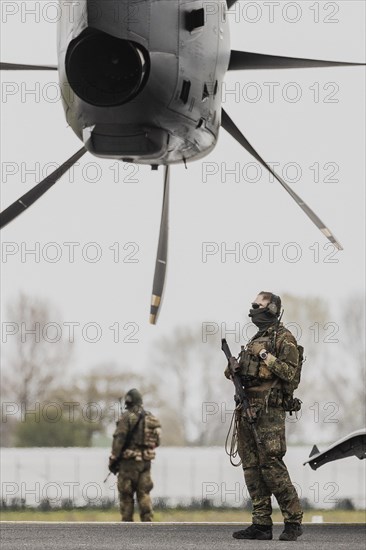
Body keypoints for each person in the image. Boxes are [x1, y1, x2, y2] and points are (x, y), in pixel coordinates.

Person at [224, 291, 303, 541]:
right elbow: (247, 374)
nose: (253, 309)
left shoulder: (284, 338)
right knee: (251, 468)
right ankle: (261, 524)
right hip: (248, 410)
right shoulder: (256, 339)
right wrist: (232, 369)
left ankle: (293, 521)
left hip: (270, 412)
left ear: (271, 309)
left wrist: (263, 355)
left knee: (272, 466)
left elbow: (290, 374)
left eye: (258, 305)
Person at [108, 388, 161, 522]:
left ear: (128, 402)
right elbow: (157, 441)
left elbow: (119, 439)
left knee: (126, 495)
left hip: (128, 464)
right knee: (144, 493)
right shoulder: (150, 417)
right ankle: (147, 521)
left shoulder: (127, 417)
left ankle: (127, 524)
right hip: (145, 462)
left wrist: (113, 459)